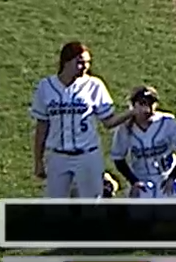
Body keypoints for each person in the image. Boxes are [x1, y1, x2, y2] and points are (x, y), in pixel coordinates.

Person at [30, 42, 126, 198]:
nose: (85, 66)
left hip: (87, 156)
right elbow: (42, 127)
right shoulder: (46, 87)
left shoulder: (94, 85)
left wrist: (131, 113)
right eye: (80, 62)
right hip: (58, 156)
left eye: (87, 62)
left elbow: (108, 121)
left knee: (92, 207)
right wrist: (38, 161)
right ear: (66, 62)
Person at [109, 86, 176, 198]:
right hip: (141, 179)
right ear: (133, 105)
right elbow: (118, 158)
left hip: (166, 177)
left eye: (151, 103)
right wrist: (133, 181)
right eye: (142, 104)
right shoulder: (125, 128)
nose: (147, 109)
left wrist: (172, 177)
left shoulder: (167, 122)